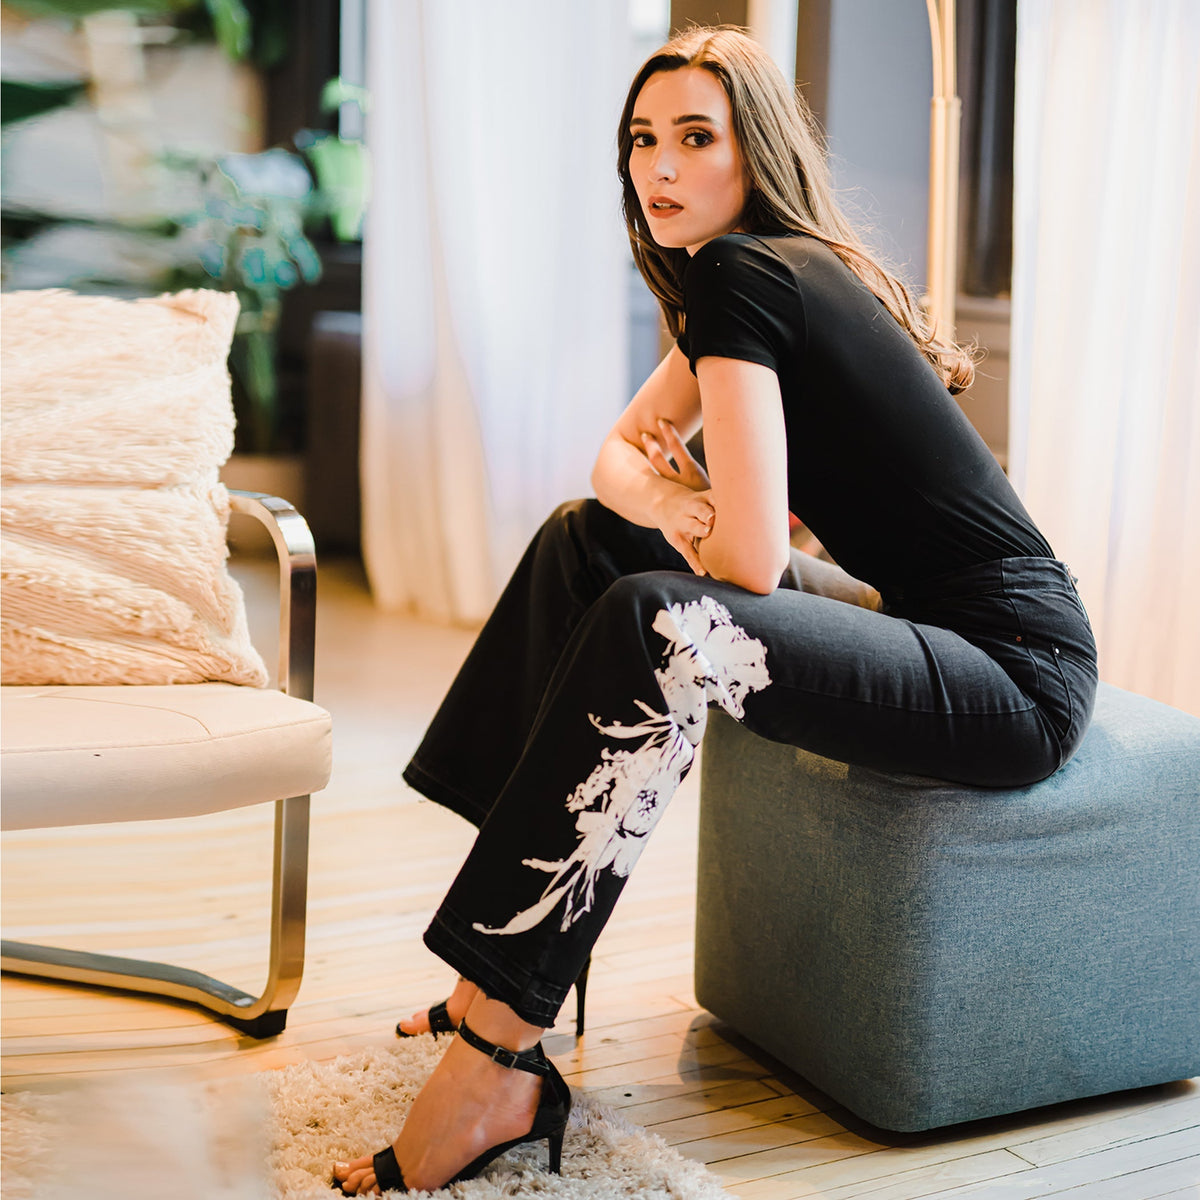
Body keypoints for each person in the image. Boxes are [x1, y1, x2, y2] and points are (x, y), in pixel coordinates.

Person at [332, 25, 1098, 1195]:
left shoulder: (749, 276)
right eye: (644, 140)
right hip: (920, 623)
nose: (661, 168)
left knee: (660, 619)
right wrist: (674, 508)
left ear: (758, 155)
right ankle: (508, 964)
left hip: (1013, 672)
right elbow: (614, 466)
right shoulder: (745, 274)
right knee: (589, 545)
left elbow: (743, 560)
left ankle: (500, 1054)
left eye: (697, 137)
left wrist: (692, 516)